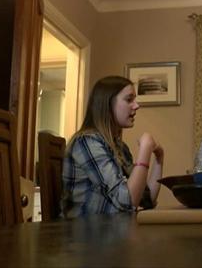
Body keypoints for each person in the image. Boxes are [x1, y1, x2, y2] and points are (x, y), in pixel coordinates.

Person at [61, 76, 163, 218]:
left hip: (112, 231)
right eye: (129, 100)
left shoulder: (120, 147)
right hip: (86, 234)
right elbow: (129, 201)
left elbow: (146, 199)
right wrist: (144, 150)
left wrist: (159, 158)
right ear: (107, 105)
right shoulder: (87, 142)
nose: (136, 105)